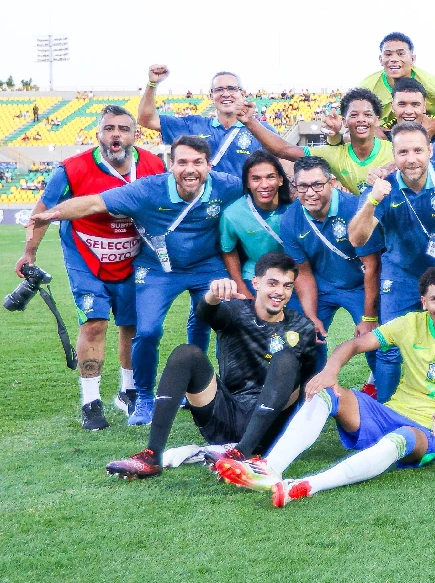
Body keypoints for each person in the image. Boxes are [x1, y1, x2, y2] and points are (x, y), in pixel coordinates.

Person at [216, 266, 435, 506]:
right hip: (388, 413)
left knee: (403, 438)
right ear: (424, 302)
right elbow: (357, 343)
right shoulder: (411, 323)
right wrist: (330, 372)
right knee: (326, 393)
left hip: (428, 430)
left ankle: (307, 485)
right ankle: (270, 468)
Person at [29, 136, 243, 426]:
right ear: (171, 164)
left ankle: (200, 386)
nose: (190, 169)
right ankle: (143, 398)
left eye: (197, 162)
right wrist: (50, 214)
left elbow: (263, 187)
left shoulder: (227, 185)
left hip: (207, 266)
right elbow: (94, 203)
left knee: (209, 321)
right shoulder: (148, 189)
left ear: (209, 165)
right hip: (156, 269)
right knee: (148, 331)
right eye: (182, 162)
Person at [104, 254, 319, 480]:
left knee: (286, 360)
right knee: (186, 353)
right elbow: (205, 312)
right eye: (272, 283)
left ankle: (242, 454)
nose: (279, 292)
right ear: (256, 283)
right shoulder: (236, 311)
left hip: (269, 429)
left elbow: (306, 384)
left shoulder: (301, 327)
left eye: (287, 286)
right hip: (225, 416)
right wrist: (213, 295)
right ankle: (151, 456)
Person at [18, 105, 166, 429]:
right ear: (98, 134)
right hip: (86, 257)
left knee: (133, 325)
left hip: (133, 257)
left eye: (123, 128)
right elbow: (43, 211)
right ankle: (90, 401)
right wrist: (30, 253)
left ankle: (128, 392)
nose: (116, 134)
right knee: (95, 324)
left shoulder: (154, 165)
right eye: (109, 128)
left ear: (134, 135)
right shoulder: (71, 169)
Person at [348, 122, 435, 401]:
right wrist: (372, 200)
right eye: (403, 152)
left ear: (430, 151)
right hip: (402, 273)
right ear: (393, 156)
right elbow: (358, 239)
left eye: (418, 150)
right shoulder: (382, 187)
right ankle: (386, 412)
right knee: (390, 345)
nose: (411, 159)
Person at [279, 157, 381, 362]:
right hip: (322, 284)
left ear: (332, 182)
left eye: (317, 185)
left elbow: (372, 266)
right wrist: (311, 316)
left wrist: (369, 318)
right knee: (305, 336)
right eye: (303, 186)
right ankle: (311, 391)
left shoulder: (355, 209)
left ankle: (381, 390)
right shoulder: (290, 219)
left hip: (360, 285)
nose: (310, 193)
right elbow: (303, 272)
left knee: (377, 342)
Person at [239, 87, 393, 195]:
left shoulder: (395, 150)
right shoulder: (333, 154)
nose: (361, 120)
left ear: (377, 120)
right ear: (344, 121)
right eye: (354, 115)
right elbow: (284, 150)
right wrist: (250, 122)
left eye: (367, 115)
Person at [137, 65, 276, 177]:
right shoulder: (193, 125)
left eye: (232, 89)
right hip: (202, 208)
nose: (225, 94)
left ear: (243, 94)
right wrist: (152, 84)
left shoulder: (262, 130)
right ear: (211, 96)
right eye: (219, 90)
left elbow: (282, 166)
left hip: (244, 207)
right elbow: (146, 119)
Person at [358, 32, 435, 137]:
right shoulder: (367, 87)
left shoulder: (429, 83)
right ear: (381, 59)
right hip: (386, 136)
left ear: (412, 58)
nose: (394, 59)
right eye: (388, 54)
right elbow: (348, 118)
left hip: (426, 132)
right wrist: (371, 128)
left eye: (401, 54)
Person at [219, 151, 292, 298]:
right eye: (256, 179)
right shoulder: (232, 214)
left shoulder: (295, 209)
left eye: (270, 177)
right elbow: (228, 250)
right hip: (255, 275)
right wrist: (243, 289)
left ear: (281, 180)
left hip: (294, 274)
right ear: (247, 183)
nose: (264, 185)